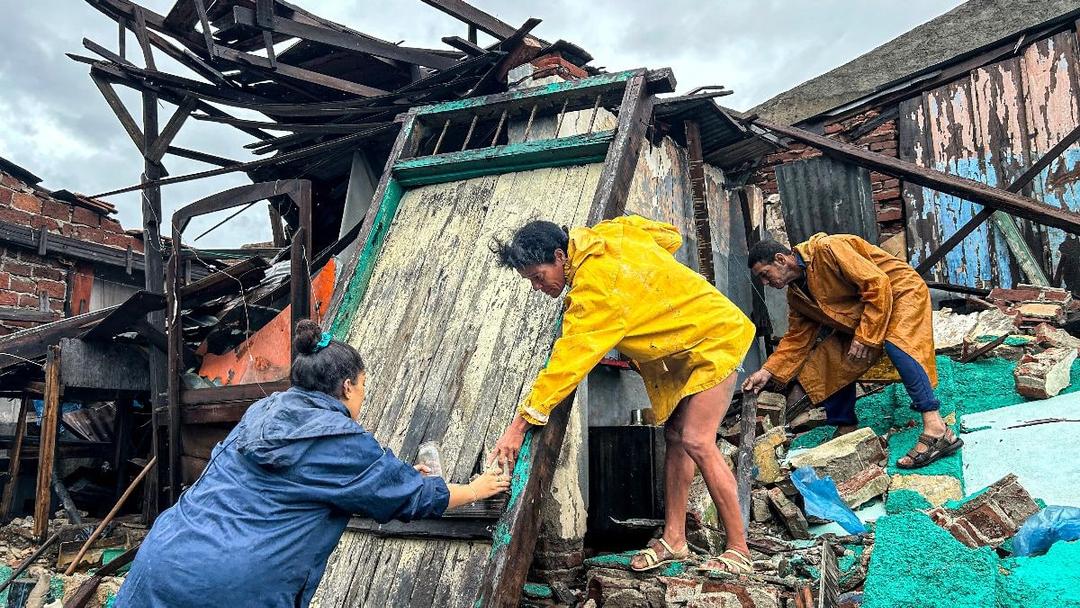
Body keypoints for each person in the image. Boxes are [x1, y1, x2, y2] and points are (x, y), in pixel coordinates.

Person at [115, 320, 509, 608]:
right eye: (364, 388)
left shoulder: (263, 412)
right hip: (227, 589)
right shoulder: (341, 439)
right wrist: (477, 490)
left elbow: (326, 477)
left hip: (160, 563)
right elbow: (411, 496)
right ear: (348, 387)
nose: (362, 399)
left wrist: (394, 476)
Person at [489, 215, 757, 574]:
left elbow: (565, 366)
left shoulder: (593, 291)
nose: (538, 287)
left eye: (539, 277)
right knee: (675, 436)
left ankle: (739, 549)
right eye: (532, 282)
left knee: (696, 439)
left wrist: (518, 426)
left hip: (716, 339)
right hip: (694, 342)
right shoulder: (610, 234)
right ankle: (675, 539)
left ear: (559, 255)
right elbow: (670, 237)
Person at [742, 234, 960, 468]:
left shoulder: (828, 249)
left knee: (899, 345)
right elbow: (796, 339)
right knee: (830, 359)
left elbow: (876, 283)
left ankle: (937, 429)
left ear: (780, 259)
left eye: (765, 274)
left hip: (900, 292)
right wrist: (767, 371)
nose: (765, 283)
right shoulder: (797, 296)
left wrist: (866, 335)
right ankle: (846, 426)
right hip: (865, 311)